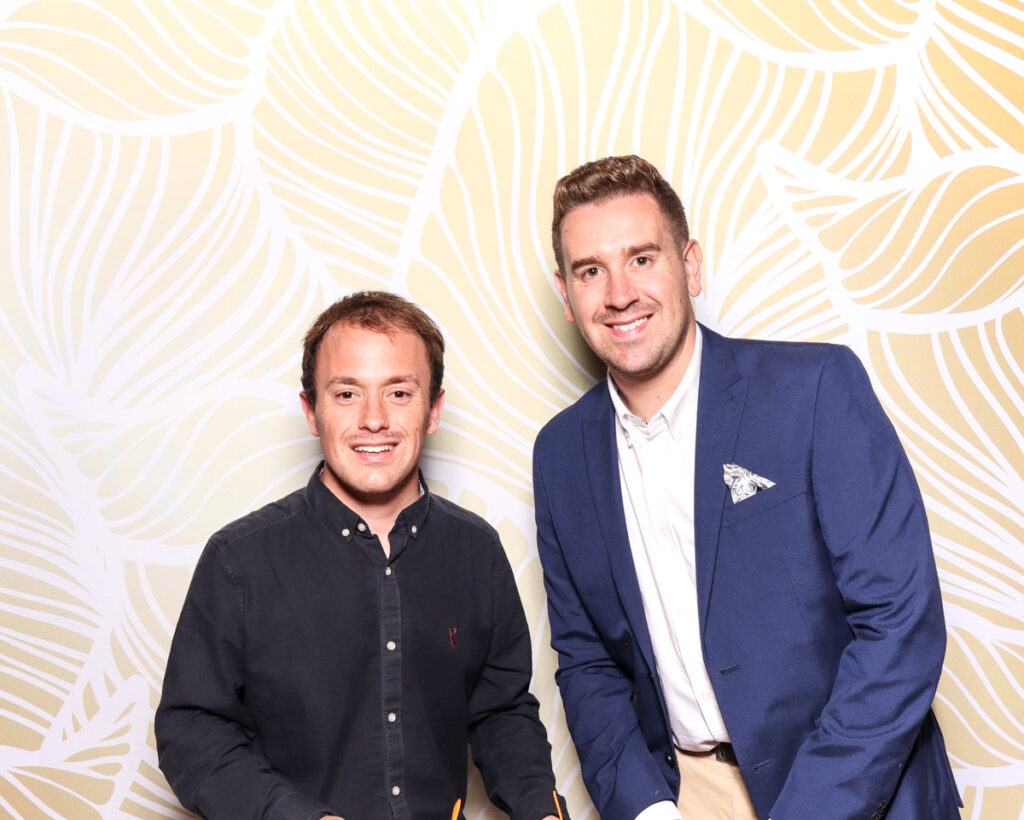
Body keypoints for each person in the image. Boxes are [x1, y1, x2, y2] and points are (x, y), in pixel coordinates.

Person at [532, 155, 962, 820]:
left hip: (850, 787)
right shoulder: (559, 455)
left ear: (691, 266)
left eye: (643, 258)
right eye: (591, 271)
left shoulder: (814, 390)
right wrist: (648, 810)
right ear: (568, 296)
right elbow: (588, 663)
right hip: (687, 796)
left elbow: (900, 627)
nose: (619, 292)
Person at [156, 291, 567, 820]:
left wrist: (541, 808)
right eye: (347, 394)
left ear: (433, 409)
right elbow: (192, 730)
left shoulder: (477, 552)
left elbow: (502, 712)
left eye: (398, 392)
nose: (374, 419)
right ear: (312, 411)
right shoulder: (238, 561)